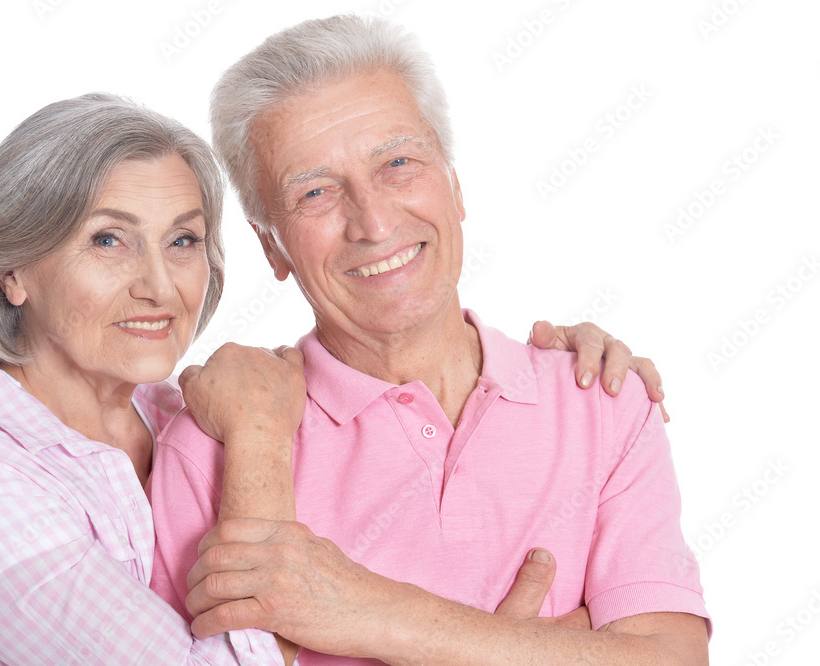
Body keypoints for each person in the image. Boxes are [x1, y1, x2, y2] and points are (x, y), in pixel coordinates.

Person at [0, 92, 644, 664]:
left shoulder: (179, 414)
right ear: (12, 272)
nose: (159, 286)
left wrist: (568, 363)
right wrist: (519, 647)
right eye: (108, 240)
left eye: (182, 241)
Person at [149, 15, 711, 665]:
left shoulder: (604, 400)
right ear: (272, 245)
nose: (375, 220)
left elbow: (673, 658)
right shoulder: (214, 447)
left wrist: (371, 612)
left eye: (397, 163)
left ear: (455, 184)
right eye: (315, 192)